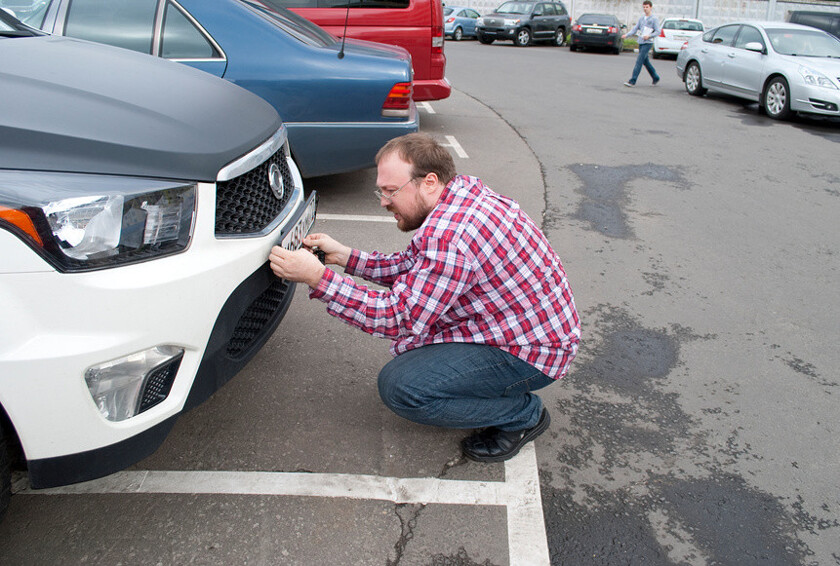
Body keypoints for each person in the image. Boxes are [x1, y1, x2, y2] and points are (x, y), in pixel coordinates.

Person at [268, 133, 580, 463]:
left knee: (403, 388)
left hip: (531, 353)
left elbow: (399, 317)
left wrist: (319, 278)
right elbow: (415, 267)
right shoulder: (462, 196)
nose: (383, 201)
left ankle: (522, 414)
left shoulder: (452, 234)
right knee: (416, 362)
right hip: (523, 330)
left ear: (429, 182)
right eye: (381, 190)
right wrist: (346, 257)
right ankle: (502, 394)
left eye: (391, 191)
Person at [622, 0, 661, 87]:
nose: (645, 9)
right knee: (645, 62)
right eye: (644, 7)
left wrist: (649, 36)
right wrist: (627, 35)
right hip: (641, 42)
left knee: (639, 61)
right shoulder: (641, 18)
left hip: (648, 43)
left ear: (651, 7)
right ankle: (655, 77)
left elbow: (658, 31)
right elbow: (635, 29)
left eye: (647, 7)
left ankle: (632, 81)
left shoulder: (654, 19)